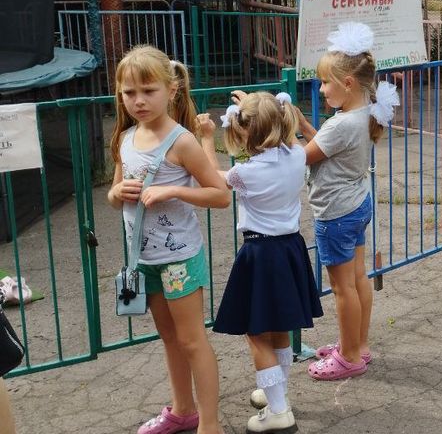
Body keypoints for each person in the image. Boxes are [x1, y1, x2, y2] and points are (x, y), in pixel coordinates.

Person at [107, 46, 230, 434]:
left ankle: (209, 424)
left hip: (180, 260)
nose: (138, 101)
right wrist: (117, 194)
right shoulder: (125, 139)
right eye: (129, 93)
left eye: (148, 90)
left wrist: (173, 193)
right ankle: (182, 410)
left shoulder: (182, 142)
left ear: (171, 89)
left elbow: (221, 196)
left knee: (192, 341)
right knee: (169, 338)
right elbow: (113, 195)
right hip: (143, 260)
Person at [196, 91, 323, 433]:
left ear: (244, 133)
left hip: (260, 253)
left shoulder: (245, 172)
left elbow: (210, 173)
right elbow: (276, 124)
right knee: (279, 327)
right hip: (290, 248)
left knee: (256, 333)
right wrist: (256, 103)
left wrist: (207, 138)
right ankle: (276, 394)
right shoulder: (296, 154)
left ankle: (279, 411)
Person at [295, 22, 398, 381]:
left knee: (342, 288)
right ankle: (359, 345)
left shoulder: (340, 125)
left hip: (335, 214)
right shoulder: (361, 114)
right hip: (356, 206)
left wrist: (276, 131)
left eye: (326, 82)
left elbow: (304, 157)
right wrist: (304, 124)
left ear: (348, 84)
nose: (322, 89)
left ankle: (349, 356)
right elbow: (325, 146)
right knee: (358, 280)